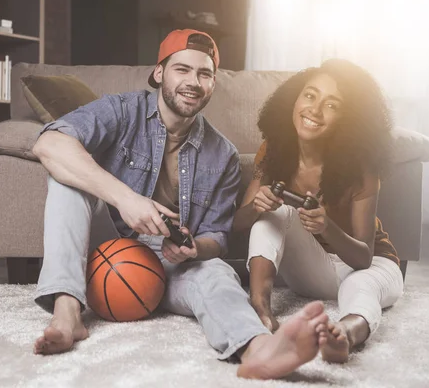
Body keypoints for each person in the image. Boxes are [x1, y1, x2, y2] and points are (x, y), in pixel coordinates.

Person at [31, 29, 329, 380]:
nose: (193, 82)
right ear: (160, 73)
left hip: (163, 263)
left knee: (217, 271)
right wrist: (126, 199)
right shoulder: (121, 110)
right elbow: (49, 144)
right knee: (67, 180)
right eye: (182, 70)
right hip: (100, 243)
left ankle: (258, 347)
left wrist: (192, 248)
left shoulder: (223, 155)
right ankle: (67, 314)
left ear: (213, 84)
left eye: (204, 74)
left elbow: (216, 237)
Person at [232, 58, 405, 363]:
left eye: (332, 105)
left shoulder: (362, 167)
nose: (314, 109)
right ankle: (261, 311)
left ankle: (345, 335)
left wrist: (327, 228)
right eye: (310, 95)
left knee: (359, 286)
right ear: (295, 99)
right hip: (316, 270)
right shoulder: (273, 150)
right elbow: (238, 223)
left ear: (348, 119)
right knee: (273, 215)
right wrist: (257, 205)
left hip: (372, 265)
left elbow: (363, 257)